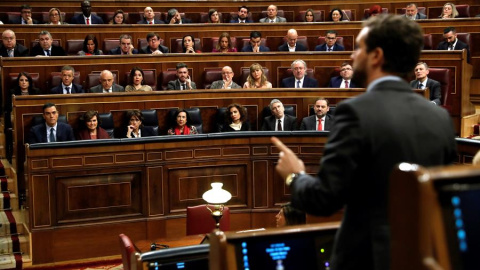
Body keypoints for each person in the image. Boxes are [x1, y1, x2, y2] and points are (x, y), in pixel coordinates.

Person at [271, 15, 457, 270]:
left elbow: (324, 200)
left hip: (367, 258)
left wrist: (294, 176)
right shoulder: (440, 118)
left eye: (359, 47)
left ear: (376, 56)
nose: (351, 56)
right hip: (425, 257)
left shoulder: (355, 112)